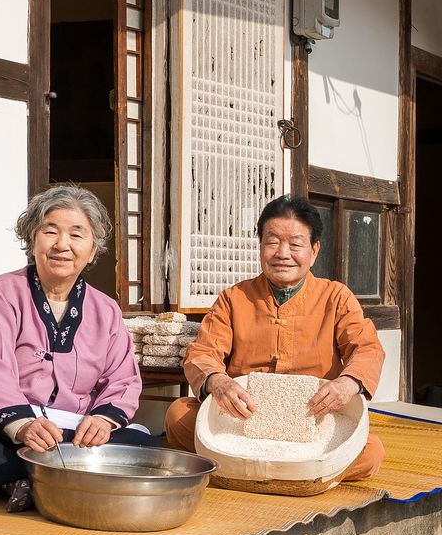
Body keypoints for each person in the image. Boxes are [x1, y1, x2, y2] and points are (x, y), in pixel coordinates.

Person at [0, 184, 149, 509]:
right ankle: (49, 475)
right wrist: (21, 426)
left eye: (77, 235)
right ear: (32, 240)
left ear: (92, 251)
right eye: (50, 232)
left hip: (68, 427)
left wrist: (103, 421)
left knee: (142, 443)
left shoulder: (106, 310)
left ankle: (14, 476)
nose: (62, 245)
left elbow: (123, 380)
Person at [165, 194, 387, 480]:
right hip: (243, 420)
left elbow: (367, 349)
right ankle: (303, 476)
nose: (283, 253)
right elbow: (202, 353)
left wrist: (348, 382)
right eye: (272, 242)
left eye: (295, 244)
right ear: (260, 247)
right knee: (178, 416)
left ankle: (245, 471)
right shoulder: (234, 298)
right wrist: (217, 381)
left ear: (314, 250)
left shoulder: (336, 297)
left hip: (314, 422)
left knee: (371, 452)